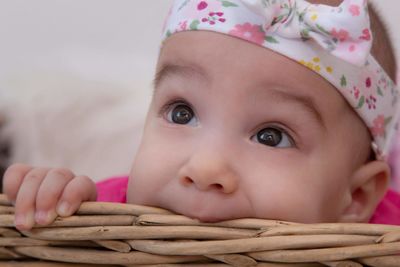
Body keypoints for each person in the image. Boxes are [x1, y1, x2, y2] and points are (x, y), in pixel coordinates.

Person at [3, 0, 400, 230]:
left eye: (271, 136)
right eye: (181, 113)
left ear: (357, 197)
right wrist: (59, 202)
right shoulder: (116, 213)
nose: (205, 168)